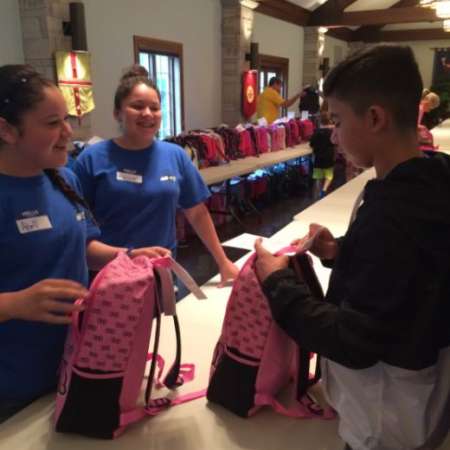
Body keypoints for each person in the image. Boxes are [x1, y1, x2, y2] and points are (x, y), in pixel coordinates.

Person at [253, 45, 450, 450]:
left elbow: (352, 342)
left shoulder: (393, 212)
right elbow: (408, 273)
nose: (335, 135)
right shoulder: (434, 180)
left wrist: (276, 284)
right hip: (426, 390)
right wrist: (340, 252)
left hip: (387, 412)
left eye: (338, 121)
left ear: (375, 117)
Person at [0, 65, 170, 423]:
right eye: (51, 123)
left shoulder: (64, 178)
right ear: (6, 130)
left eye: (67, 119)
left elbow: (83, 246)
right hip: (13, 387)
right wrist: (14, 304)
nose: (68, 132)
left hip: (76, 361)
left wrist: (127, 256)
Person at [72, 65, 238, 287]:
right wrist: (127, 256)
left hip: (159, 275)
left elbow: (197, 212)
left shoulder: (175, 156)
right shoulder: (92, 159)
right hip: (110, 279)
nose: (148, 114)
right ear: (117, 113)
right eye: (137, 106)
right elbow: (78, 231)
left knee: (161, 322)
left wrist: (223, 261)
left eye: (155, 107)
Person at [309, 111, 335, 198]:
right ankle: (324, 190)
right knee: (329, 175)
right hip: (329, 156)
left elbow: (311, 144)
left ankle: (319, 191)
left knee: (318, 177)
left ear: (319, 121)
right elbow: (334, 143)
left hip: (318, 157)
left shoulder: (316, 132)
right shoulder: (331, 132)